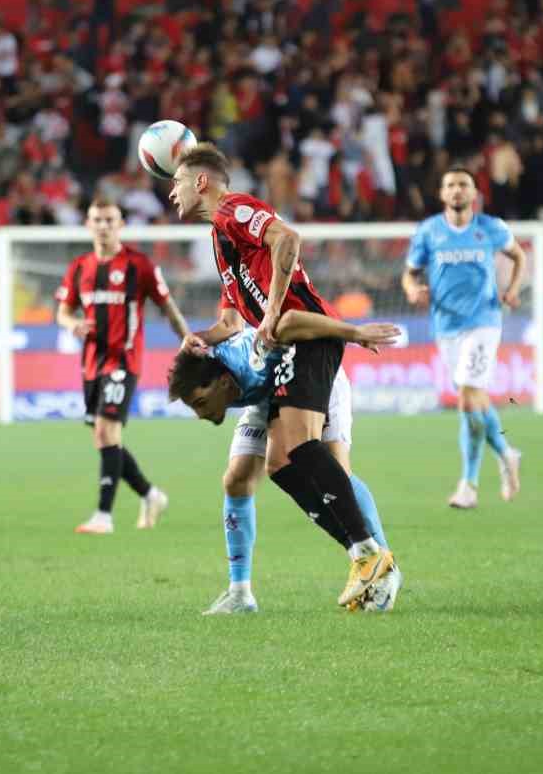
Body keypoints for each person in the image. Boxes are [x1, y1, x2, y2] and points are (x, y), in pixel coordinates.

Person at [169, 143, 396, 609]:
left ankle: (371, 554)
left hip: (305, 334)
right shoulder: (219, 237)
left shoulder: (234, 209)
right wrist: (202, 338)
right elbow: (233, 319)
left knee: (304, 450)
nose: (170, 193)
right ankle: (362, 555)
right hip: (281, 346)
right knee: (278, 465)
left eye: (175, 182)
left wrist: (273, 309)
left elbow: (288, 239)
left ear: (200, 182)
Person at [167, 311, 404, 615]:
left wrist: (354, 333)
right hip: (266, 396)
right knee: (237, 479)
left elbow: (296, 322)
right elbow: (229, 323)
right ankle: (240, 594)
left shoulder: (250, 363)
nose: (199, 414)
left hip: (315, 379)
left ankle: (383, 567)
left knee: (336, 473)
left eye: (200, 402)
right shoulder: (210, 365)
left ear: (224, 382)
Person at [55, 197, 190, 535]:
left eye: (109, 219)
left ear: (121, 225)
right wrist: (71, 324)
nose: (103, 225)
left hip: (124, 361)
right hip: (90, 364)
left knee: (106, 431)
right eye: (97, 219)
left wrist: (187, 339)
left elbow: (167, 306)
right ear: (88, 224)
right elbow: (63, 310)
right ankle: (150, 494)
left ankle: (104, 515)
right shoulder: (79, 268)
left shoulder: (138, 265)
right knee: (105, 439)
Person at [402, 166, 529, 509]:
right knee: (474, 400)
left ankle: (468, 484)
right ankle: (506, 453)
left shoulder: (491, 228)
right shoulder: (429, 232)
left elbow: (519, 256)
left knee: (468, 398)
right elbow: (409, 275)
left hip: (485, 322)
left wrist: (513, 288)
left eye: (463, 185)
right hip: (446, 327)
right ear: (442, 194)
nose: (457, 190)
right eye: (450, 185)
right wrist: (413, 289)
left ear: (474, 193)